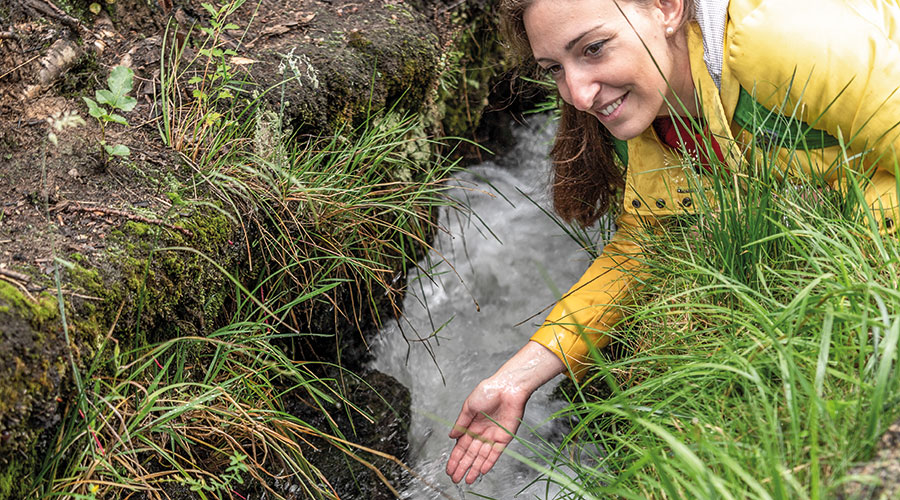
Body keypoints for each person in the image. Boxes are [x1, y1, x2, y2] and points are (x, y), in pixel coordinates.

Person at [446, 0, 900, 485]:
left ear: (666, 9)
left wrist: (835, 242)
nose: (577, 95)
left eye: (594, 49)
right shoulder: (647, 112)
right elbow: (647, 240)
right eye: (556, 68)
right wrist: (519, 377)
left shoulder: (777, 41)